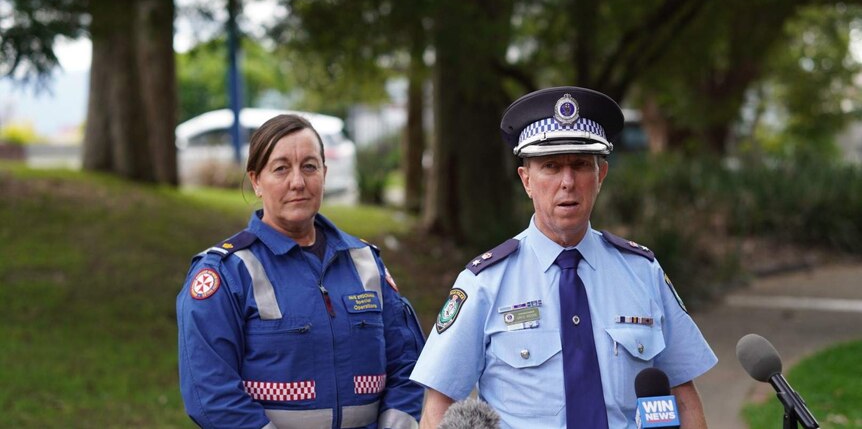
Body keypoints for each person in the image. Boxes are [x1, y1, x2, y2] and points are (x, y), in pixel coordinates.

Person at [410, 86, 717, 429]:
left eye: (581, 165)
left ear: (600, 175)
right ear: (527, 181)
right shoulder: (484, 283)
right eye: (551, 166)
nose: (568, 182)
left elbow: (683, 394)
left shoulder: (642, 273)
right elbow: (437, 407)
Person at [177, 114, 425, 429]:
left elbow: (407, 365)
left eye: (309, 166)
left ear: (324, 172)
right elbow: (210, 393)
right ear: (256, 181)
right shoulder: (226, 273)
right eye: (281, 168)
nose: (298, 182)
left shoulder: (365, 262)